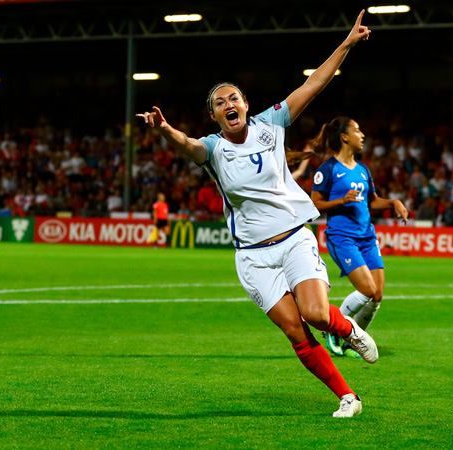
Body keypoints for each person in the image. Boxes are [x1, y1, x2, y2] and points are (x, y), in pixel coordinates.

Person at [137, 11, 375, 418]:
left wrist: (347, 44)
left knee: (317, 315)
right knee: (295, 331)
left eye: (233, 98)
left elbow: (313, 84)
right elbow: (187, 146)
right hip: (252, 256)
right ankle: (347, 397)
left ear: (246, 105)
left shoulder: (273, 123)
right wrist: (164, 129)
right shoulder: (213, 148)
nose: (228, 104)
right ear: (213, 116)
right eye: (219, 103)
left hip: (294, 239)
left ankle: (347, 329)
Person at [309, 116, 408, 358]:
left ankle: (352, 341)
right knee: (366, 289)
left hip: (367, 237)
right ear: (344, 137)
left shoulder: (363, 169)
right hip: (342, 237)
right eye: (357, 130)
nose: (362, 135)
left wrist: (393, 202)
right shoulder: (329, 169)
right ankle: (334, 330)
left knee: (377, 295)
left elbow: (372, 201)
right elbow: (314, 203)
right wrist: (341, 200)